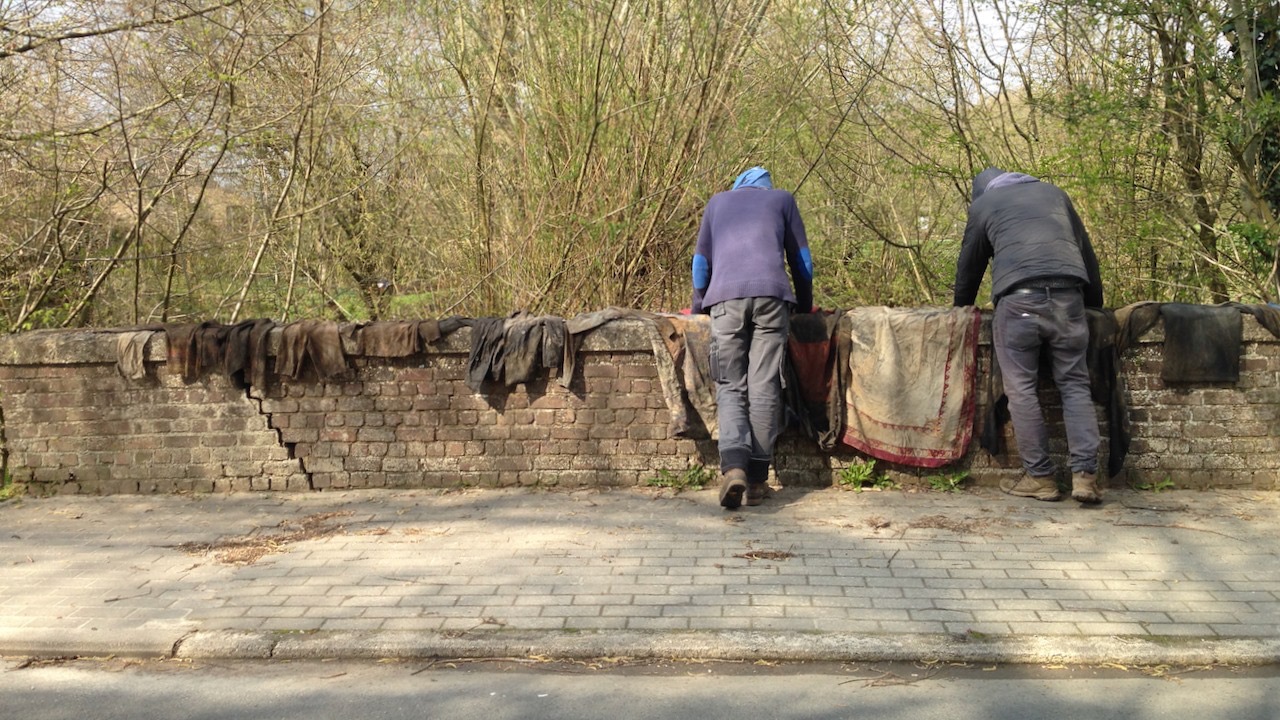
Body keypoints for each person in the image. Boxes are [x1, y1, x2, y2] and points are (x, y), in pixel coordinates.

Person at [953, 167, 1105, 504]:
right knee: (1075, 385)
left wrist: (959, 309)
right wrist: (1095, 306)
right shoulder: (1054, 194)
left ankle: (1041, 479)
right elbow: (1086, 255)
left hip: (1019, 302)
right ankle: (1085, 478)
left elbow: (969, 266)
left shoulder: (985, 204)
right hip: (1069, 298)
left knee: (1021, 389)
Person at [691, 166, 813, 509]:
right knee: (765, 384)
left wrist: (698, 305)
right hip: (773, 298)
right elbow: (803, 262)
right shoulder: (783, 200)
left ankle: (734, 469)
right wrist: (805, 305)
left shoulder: (717, 203)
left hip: (725, 300)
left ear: (738, 185)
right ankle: (757, 480)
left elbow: (700, 265)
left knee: (730, 384)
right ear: (766, 187)